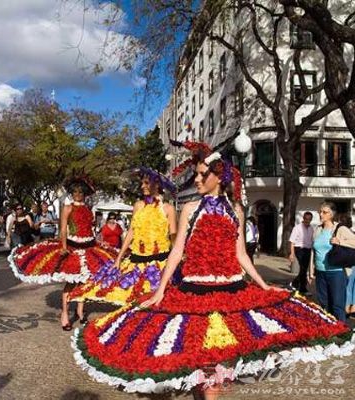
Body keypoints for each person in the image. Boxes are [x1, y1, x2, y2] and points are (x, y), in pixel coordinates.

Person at [72, 142, 351, 396]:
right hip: (193, 294)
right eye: (196, 173)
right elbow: (177, 250)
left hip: (231, 294)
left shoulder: (237, 210)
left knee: (213, 380)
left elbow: (241, 253)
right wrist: (159, 290)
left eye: (203, 174)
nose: (197, 179)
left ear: (220, 177)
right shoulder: (191, 208)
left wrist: (263, 285)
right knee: (199, 372)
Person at [8, 175, 117, 331]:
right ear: (72, 193)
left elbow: (89, 229)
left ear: (85, 193)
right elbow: (64, 229)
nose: (78, 194)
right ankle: (65, 313)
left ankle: (80, 311)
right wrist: (64, 247)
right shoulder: (68, 207)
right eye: (75, 191)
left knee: (85, 281)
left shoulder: (88, 209)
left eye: (81, 191)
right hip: (72, 247)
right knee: (71, 282)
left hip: (89, 246)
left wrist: (98, 242)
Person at [70, 167, 177, 305]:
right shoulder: (138, 205)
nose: (142, 186)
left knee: (156, 301)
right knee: (130, 299)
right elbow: (131, 232)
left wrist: (178, 259)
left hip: (160, 263)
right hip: (137, 261)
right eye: (142, 183)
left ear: (157, 184)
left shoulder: (168, 208)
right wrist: (119, 258)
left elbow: (173, 235)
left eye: (146, 183)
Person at [308, 202, 355, 322]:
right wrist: (310, 270)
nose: (321, 214)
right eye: (320, 211)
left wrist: (340, 242)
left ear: (332, 214)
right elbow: (313, 251)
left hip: (336, 272)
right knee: (324, 304)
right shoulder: (317, 229)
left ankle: (342, 332)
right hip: (320, 272)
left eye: (324, 212)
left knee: (337, 304)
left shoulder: (340, 228)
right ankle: (329, 331)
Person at [288, 211, 313, 294]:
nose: (307, 221)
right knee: (303, 268)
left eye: (309, 219)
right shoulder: (297, 228)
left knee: (304, 269)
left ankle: (294, 283)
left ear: (311, 220)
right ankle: (303, 288)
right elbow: (292, 241)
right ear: (303, 218)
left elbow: (312, 240)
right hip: (299, 249)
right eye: (306, 219)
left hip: (308, 250)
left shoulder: (311, 228)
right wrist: (292, 253)